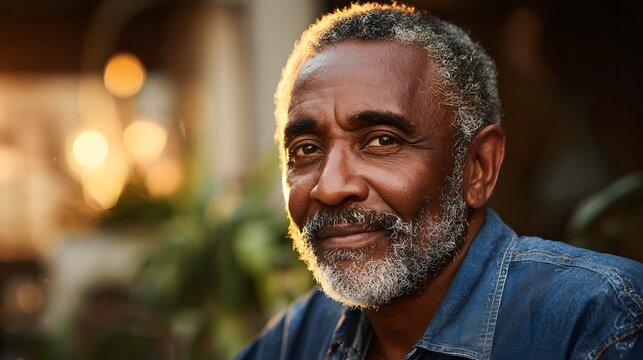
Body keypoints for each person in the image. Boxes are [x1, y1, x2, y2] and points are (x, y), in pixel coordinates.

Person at [237, 3, 643, 359]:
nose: (330, 186)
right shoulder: (301, 335)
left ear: (479, 167)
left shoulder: (600, 322)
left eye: (382, 140)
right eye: (306, 149)